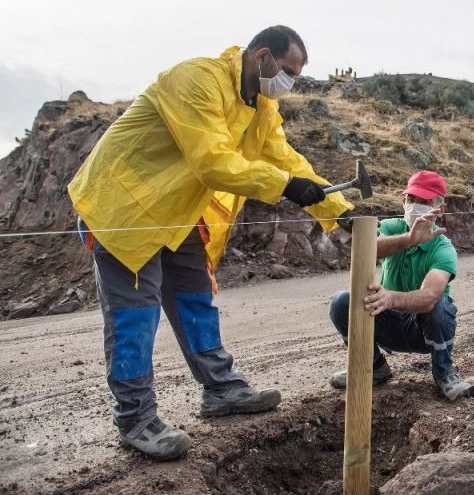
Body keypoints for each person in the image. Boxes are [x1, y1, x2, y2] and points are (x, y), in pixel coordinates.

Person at [67, 25, 355, 461]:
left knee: (195, 300)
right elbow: (212, 161)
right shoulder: (196, 79)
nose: (290, 83)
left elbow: (286, 160)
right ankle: (136, 418)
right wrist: (284, 186)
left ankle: (222, 389)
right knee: (136, 315)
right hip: (123, 207)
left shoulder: (261, 107)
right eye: (288, 71)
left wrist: (339, 208)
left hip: (180, 212)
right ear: (262, 57)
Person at [327, 170, 474, 401]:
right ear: (403, 201)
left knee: (440, 305)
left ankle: (445, 373)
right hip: (387, 324)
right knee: (341, 302)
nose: (416, 206)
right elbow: (367, 248)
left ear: (441, 208)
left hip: (421, 331)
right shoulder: (392, 227)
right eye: (411, 199)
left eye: (425, 202)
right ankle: (373, 368)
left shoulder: (443, 248)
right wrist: (409, 240)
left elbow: (430, 296)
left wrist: (391, 298)